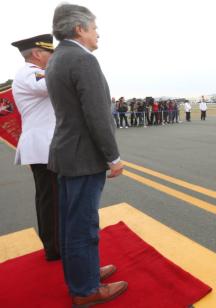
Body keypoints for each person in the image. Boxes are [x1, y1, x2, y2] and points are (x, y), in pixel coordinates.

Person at [46, 3, 127, 306]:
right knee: (83, 225)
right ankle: (85, 289)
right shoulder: (83, 60)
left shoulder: (57, 58)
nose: (98, 33)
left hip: (67, 152)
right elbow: (97, 115)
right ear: (79, 29)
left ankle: (84, 274)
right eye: (94, 27)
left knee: (71, 223)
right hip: (83, 157)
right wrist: (114, 157)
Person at [11, 34, 60, 261]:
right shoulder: (30, 72)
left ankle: (54, 245)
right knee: (50, 200)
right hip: (43, 146)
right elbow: (51, 85)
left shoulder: (33, 72)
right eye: (51, 53)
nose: (54, 56)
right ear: (37, 54)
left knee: (51, 198)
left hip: (45, 145)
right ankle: (54, 247)